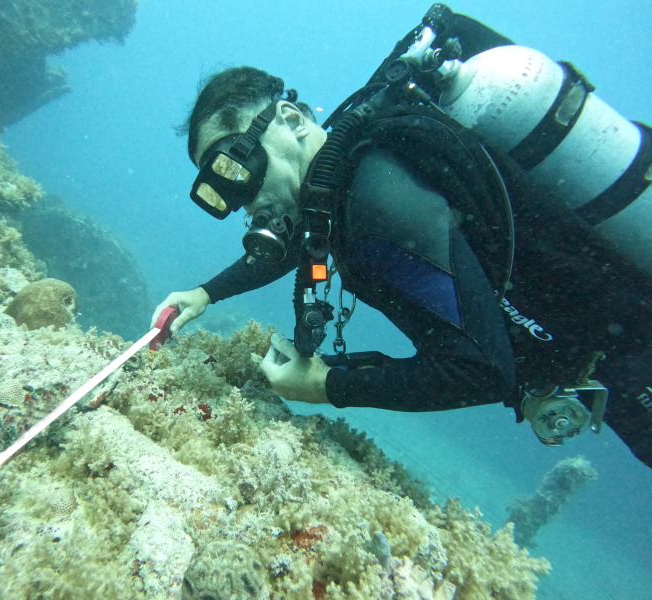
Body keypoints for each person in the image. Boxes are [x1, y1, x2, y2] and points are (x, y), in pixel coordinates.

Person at [151, 11, 652, 468]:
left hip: (635, 345)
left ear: (290, 120)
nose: (236, 193)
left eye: (234, 161)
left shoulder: (377, 202)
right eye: (219, 185)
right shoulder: (343, 178)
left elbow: (479, 370)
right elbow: (297, 243)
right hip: (610, 341)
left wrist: (326, 385)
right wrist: (205, 293)